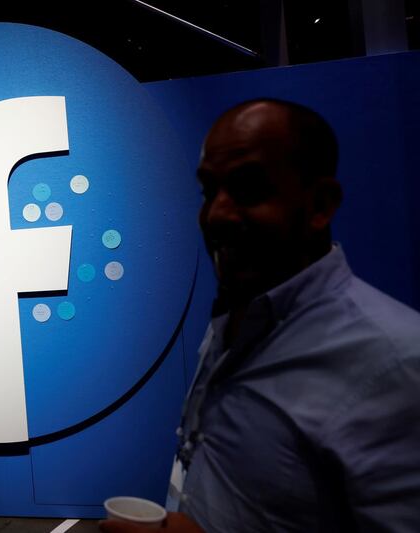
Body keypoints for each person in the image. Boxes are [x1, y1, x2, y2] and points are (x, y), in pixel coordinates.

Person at [101, 98, 420, 532]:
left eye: (249, 188)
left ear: (320, 205)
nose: (217, 214)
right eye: (209, 190)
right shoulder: (241, 314)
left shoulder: (397, 365)